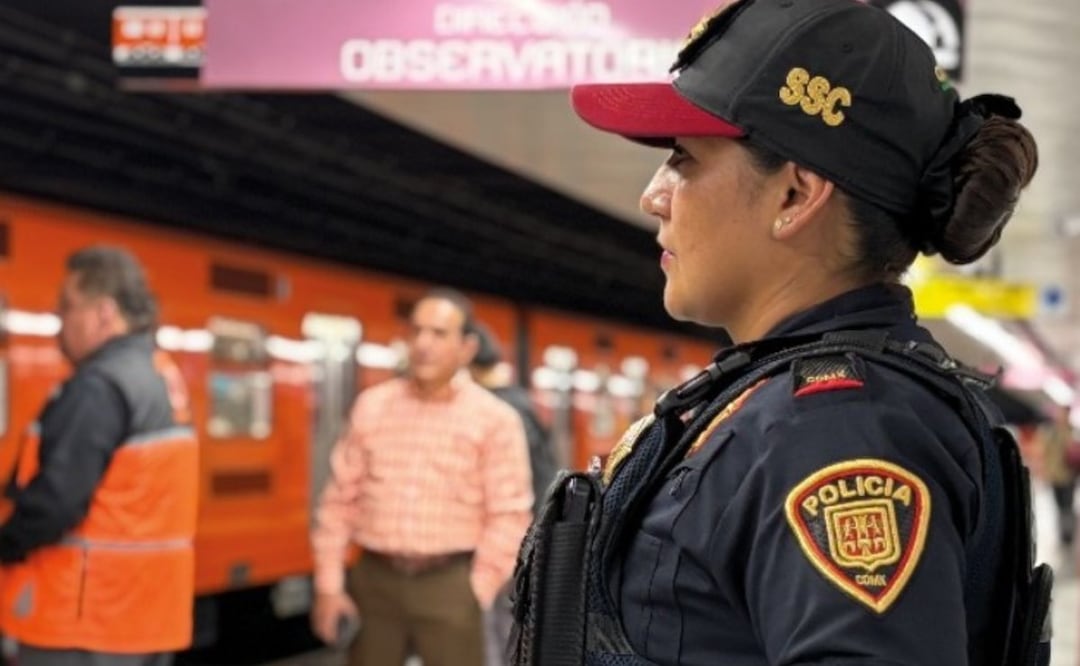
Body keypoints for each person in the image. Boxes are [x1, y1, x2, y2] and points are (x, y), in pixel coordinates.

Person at [513, 0, 1044, 664]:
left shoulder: (836, 431)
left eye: (683, 159)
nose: (654, 195)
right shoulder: (780, 407)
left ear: (795, 196)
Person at [310, 288, 533, 666]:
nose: (423, 344)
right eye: (416, 331)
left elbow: (510, 515)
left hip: (450, 583)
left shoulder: (495, 420)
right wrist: (328, 587)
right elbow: (337, 503)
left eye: (439, 333)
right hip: (374, 581)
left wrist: (475, 589)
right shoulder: (372, 406)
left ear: (466, 348)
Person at [0, 246, 198, 666]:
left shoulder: (98, 386)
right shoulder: (159, 374)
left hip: (85, 621)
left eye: (68, 306)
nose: (59, 321)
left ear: (104, 314)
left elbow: (57, 502)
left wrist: (5, 542)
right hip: (142, 618)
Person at [468, 323, 557, 666]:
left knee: (497, 630)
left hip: (511, 538)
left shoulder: (499, 411)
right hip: (528, 531)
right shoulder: (522, 402)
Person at [1043, 404, 1076, 547]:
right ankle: (1063, 534)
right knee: (1059, 506)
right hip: (1056, 475)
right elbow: (1047, 452)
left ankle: (1068, 535)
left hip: (1069, 475)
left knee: (1067, 505)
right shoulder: (1053, 431)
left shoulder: (1072, 431)